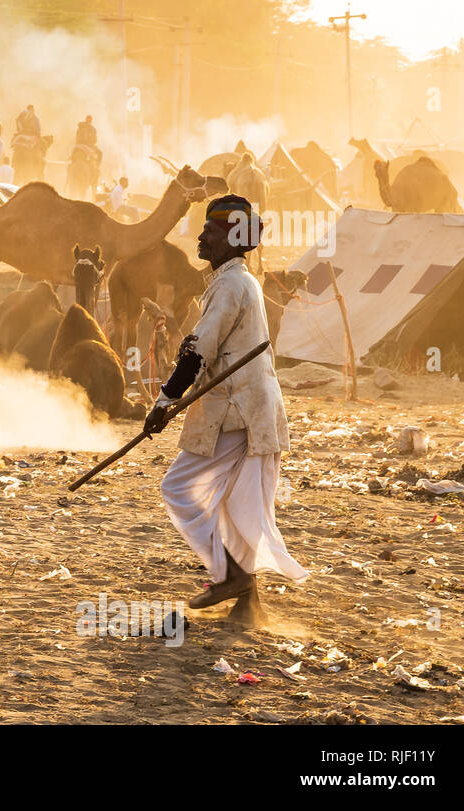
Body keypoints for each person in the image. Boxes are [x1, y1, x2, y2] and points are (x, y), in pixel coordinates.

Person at [144, 194, 307, 611]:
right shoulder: (235, 281)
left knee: (178, 488)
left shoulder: (232, 284)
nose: (201, 237)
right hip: (245, 407)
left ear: (232, 239)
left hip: (239, 411)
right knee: (234, 502)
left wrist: (164, 401)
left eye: (210, 232)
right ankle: (246, 597)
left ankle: (232, 576)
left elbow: (198, 352)